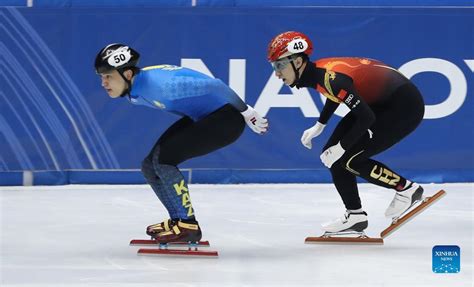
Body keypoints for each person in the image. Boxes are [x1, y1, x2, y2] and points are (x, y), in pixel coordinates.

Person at [94, 43, 268, 243]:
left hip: (226, 121)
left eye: (108, 76)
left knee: (164, 160)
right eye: (102, 77)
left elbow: (216, 85)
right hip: (205, 117)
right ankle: (178, 219)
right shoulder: (134, 87)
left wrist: (246, 111)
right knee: (150, 166)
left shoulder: (162, 86)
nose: (104, 83)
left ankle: (188, 225)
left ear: (128, 74)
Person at [267, 31, 425, 234]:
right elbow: (336, 94)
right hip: (378, 103)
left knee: (350, 158)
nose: (277, 73)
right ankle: (355, 216)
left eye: (279, 65)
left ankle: (407, 189)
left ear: (297, 62)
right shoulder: (319, 72)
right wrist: (320, 125)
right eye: (274, 67)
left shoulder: (330, 78)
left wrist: (342, 147)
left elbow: (366, 117)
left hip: (403, 107)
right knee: (332, 156)